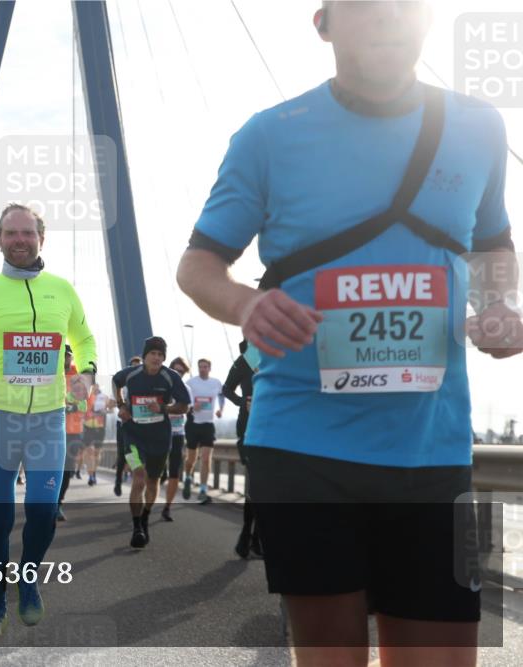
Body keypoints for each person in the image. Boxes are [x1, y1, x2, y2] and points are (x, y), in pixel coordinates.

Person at [176, 2, 520, 663]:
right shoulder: (269, 135)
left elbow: (494, 244)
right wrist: (246, 303)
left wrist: (501, 305)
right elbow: (199, 263)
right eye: (365, 5)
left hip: (433, 449)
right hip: (304, 445)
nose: (387, 18)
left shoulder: (478, 126)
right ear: (325, 24)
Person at [0, 203, 96, 638]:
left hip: (47, 418)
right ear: (0, 240)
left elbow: (83, 338)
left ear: (41, 238)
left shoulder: (63, 290)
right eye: (12, 234)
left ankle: (29, 577)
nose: (20, 240)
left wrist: (87, 371)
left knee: (43, 512)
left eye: (28, 233)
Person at [113, 337, 190, 548]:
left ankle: (145, 518)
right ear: (145, 356)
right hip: (134, 435)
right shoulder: (131, 374)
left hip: (159, 438)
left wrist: (164, 409)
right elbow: (115, 381)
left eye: (160, 355)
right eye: (152, 354)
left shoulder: (170, 377)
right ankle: (137, 526)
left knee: (152, 482)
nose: (156, 358)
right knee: (138, 477)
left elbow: (184, 406)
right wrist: (121, 405)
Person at [224, 341, 259, 558]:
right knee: (257, 483)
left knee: (270, 487)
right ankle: (247, 536)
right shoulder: (246, 358)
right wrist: (242, 403)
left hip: (278, 426)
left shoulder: (284, 352)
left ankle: (255, 539)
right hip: (249, 428)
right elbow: (227, 388)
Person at [183, 358, 224, 504]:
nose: (202, 369)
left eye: (205, 367)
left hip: (208, 425)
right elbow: (182, 398)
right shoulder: (190, 383)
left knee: (206, 459)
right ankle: (187, 477)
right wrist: (193, 406)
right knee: (191, 459)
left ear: (210, 368)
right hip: (193, 424)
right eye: (200, 367)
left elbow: (221, 395)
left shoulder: (216, 382)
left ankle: (203, 489)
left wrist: (221, 409)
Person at [57, 346, 87, 521]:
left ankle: (58, 503)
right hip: (50, 429)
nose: (64, 359)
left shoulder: (79, 376)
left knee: (67, 470)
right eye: (60, 355)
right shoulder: (47, 373)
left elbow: (84, 404)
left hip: (73, 431)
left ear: (71, 357)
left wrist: (68, 406)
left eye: (67, 356)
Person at [160, 356, 190, 521]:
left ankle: (167, 507)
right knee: (159, 473)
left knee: (175, 473)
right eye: (175, 370)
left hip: (178, 434)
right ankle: (152, 491)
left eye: (181, 371)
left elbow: (185, 409)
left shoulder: (186, 389)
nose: (178, 374)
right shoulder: (161, 387)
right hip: (161, 433)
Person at [114, 355, 142, 497]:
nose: (136, 368)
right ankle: (118, 480)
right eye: (133, 366)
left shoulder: (144, 384)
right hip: (123, 424)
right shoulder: (122, 385)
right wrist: (122, 406)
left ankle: (135, 473)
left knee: (139, 452)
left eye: (138, 366)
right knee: (123, 454)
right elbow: (117, 398)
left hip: (140, 424)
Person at [81, 382, 107, 486]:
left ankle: (94, 473)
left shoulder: (104, 397)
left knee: (97, 453)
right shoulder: (85, 397)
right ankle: (91, 476)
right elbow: (80, 410)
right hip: (87, 427)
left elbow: (111, 409)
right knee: (89, 451)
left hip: (100, 427)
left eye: (96, 385)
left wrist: (104, 410)